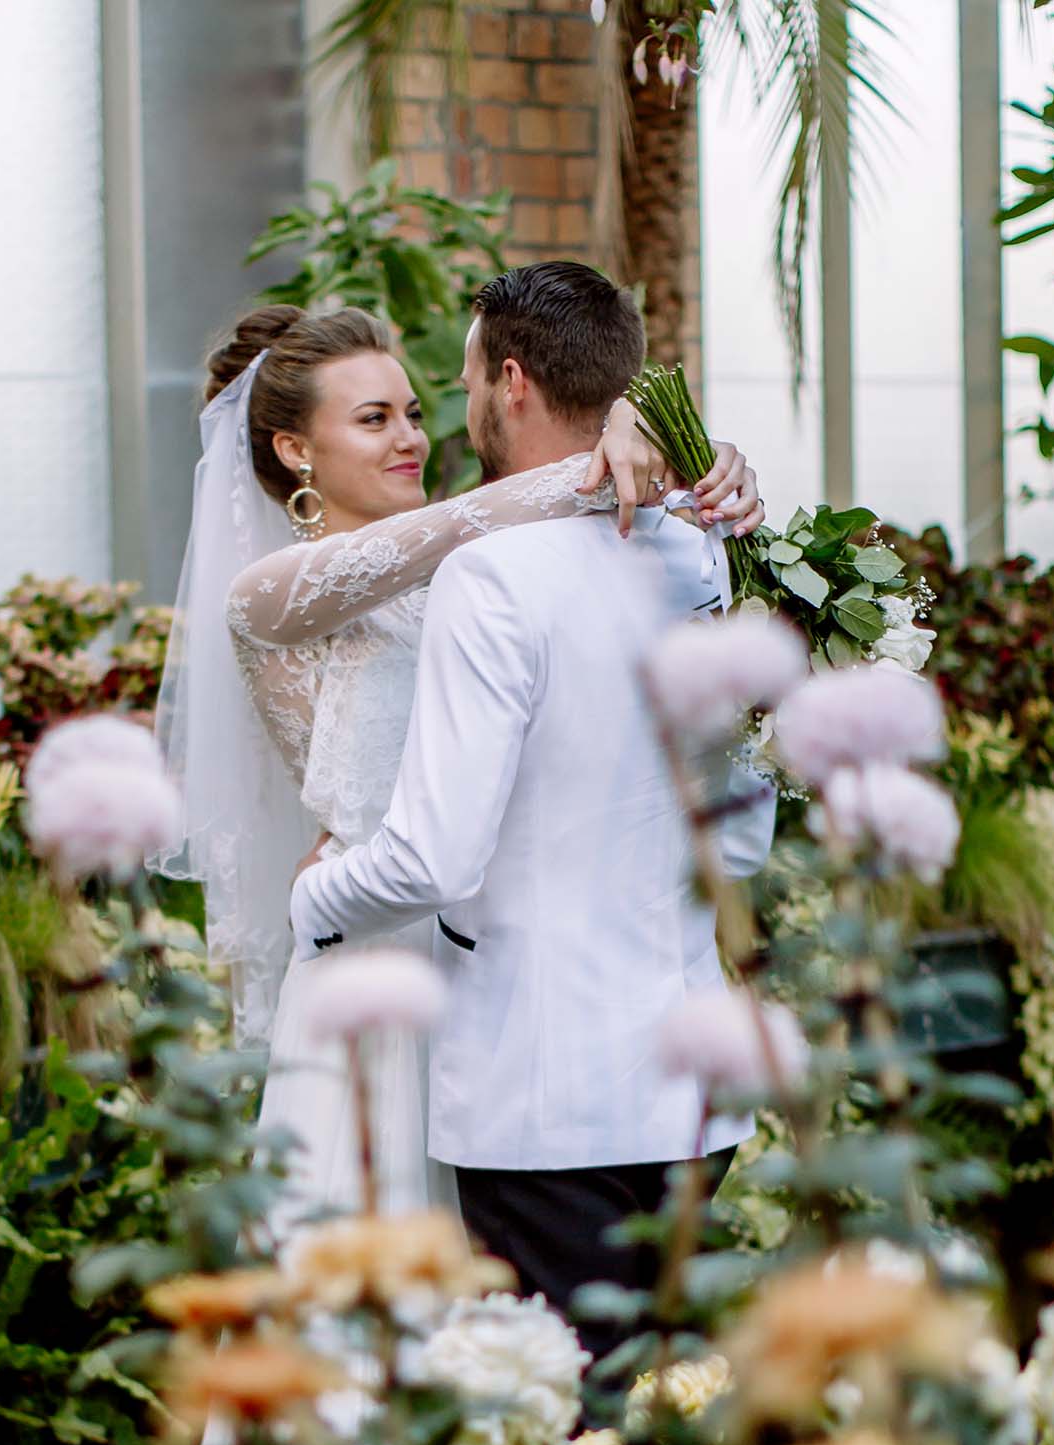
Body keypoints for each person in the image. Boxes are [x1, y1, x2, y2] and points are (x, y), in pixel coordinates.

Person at [155, 287, 764, 1234]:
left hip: (494, 967)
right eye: (372, 419)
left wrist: (670, 451)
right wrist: (616, 443)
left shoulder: (487, 560)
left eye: (410, 410)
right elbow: (463, 527)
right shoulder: (274, 594)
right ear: (293, 451)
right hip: (380, 953)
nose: (408, 435)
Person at [287, 262, 777, 1323]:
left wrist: (314, 901)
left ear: (511, 381)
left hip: (546, 1104)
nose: (457, 410)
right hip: (693, 1093)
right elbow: (740, 844)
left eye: (462, 382)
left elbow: (432, 859)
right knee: (654, 1427)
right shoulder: (704, 553)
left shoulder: (494, 577)